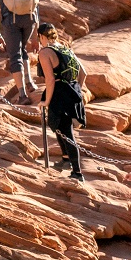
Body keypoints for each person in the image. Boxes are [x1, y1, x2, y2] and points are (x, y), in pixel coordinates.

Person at [36, 22, 87, 180]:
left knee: (67, 133)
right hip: (72, 91)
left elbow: (50, 80)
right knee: (58, 126)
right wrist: (76, 90)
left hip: (59, 94)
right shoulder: (66, 49)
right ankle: (66, 160)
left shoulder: (45, 52)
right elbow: (83, 73)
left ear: (42, 36)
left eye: (39, 38)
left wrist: (46, 102)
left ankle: (77, 173)